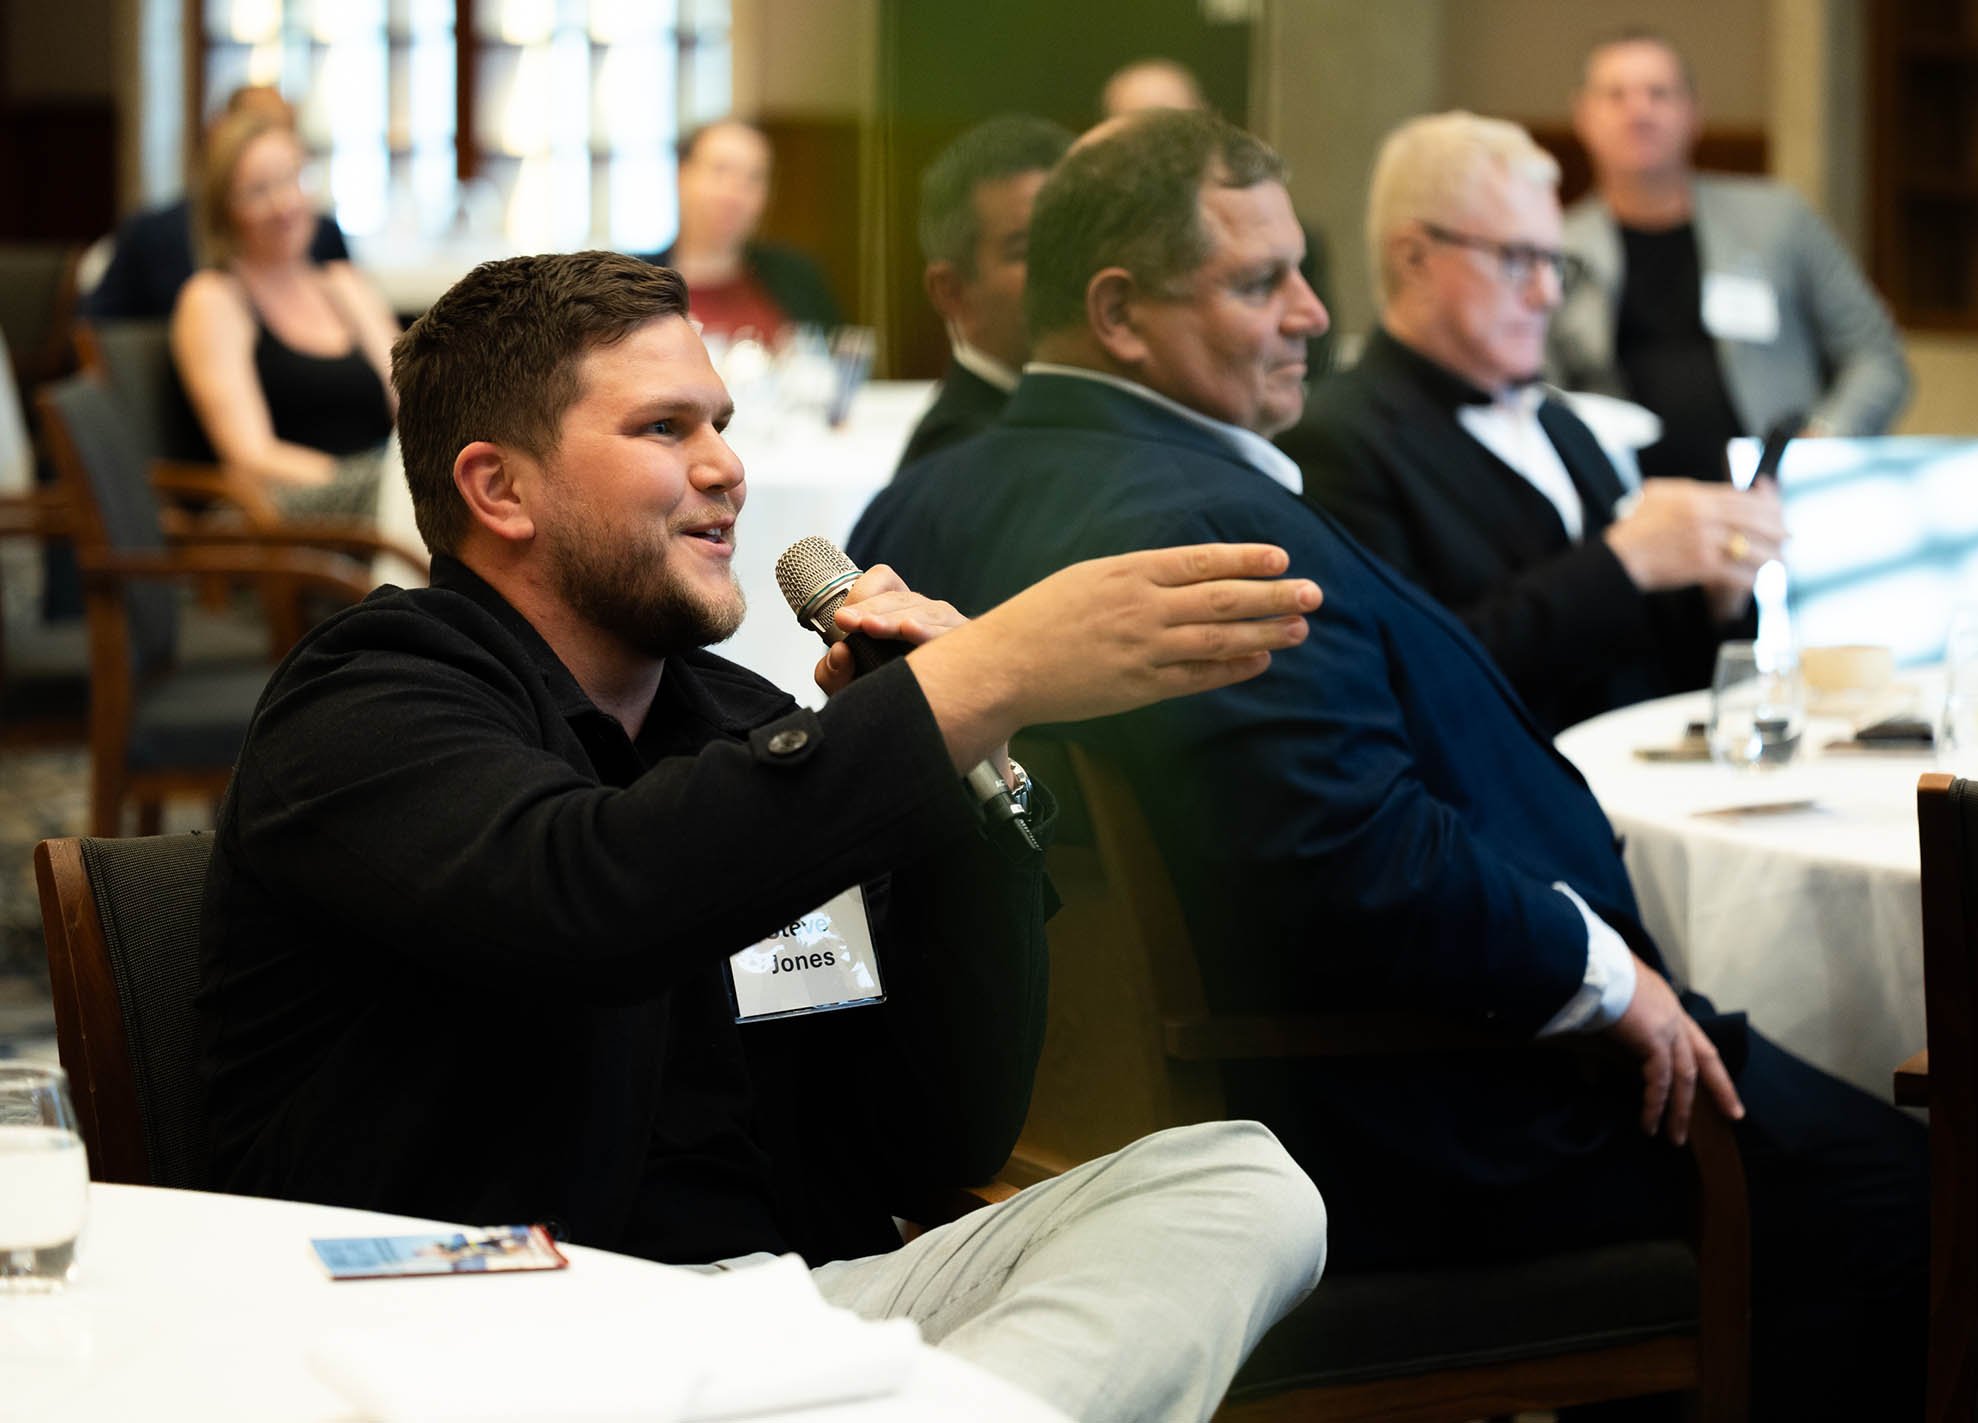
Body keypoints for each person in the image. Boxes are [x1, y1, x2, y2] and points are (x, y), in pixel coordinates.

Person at [850, 109, 1927, 1420]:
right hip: (1390, 1115)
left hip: (1093, 1111)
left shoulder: (921, 502)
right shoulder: (1198, 524)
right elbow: (1341, 854)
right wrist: (1601, 975)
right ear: (1118, 312)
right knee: (1895, 1183)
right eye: (1259, 282)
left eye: (1305, 270)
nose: (1312, 314)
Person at [197, 249, 1329, 1423]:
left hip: (784, 1320)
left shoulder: (740, 723)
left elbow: (929, 1137)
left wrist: (969, 778)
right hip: (489, 1334)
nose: (728, 467)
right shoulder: (370, 697)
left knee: (1240, 1181)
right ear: (499, 489)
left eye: (724, 424)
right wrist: (965, 686)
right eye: (663, 427)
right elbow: (591, 891)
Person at [1281, 112, 1784, 733]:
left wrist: (1717, 584)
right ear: (1413, 258)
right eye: (1518, 258)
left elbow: (1650, 665)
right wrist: (1622, 560)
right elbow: (1408, 677)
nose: (1547, 293)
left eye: (1555, 261)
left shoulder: (1561, 424)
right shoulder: (1337, 439)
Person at [1549, 30, 1911, 483]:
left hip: (1772, 493)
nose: (1638, 112)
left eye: (1658, 94)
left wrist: (1823, 441)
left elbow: (1876, 356)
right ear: (1583, 116)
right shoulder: (1553, 247)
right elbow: (1534, 390)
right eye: (1615, 95)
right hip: (1626, 508)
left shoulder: (1778, 219)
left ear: (1694, 113)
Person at [170, 107, 399, 517]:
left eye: (294, 179)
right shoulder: (213, 299)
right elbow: (251, 456)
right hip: (275, 515)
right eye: (257, 191)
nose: (284, 204)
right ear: (224, 210)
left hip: (375, 498)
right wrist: (376, 484)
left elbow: (414, 405)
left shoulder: (344, 285)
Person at [1100, 57, 1336, 380]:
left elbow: (1315, 367)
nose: (1311, 315)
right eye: (1140, 130)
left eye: (1177, 127)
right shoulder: (1091, 243)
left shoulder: (1289, 239)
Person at [81, 84, 352, 322]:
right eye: (251, 131)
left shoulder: (326, 241)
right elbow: (98, 330)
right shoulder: (155, 237)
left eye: (280, 131)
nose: (283, 207)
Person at [897, 114, 1073, 472]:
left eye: (1075, 238)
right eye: (1027, 250)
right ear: (952, 292)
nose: (1070, 266)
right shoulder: (956, 462)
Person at [648, 119, 843, 341]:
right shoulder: (632, 283)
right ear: (682, 176)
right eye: (720, 171)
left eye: (754, 178)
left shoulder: (799, 280)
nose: (734, 195)